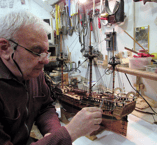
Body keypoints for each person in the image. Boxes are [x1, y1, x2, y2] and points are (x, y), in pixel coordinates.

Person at [0, 10, 103, 145]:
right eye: (36, 52)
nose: (46, 61)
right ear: (5, 48)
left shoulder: (33, 73)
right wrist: (69, 133)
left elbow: (45, 106)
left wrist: (54, 134)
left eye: (45, 52)